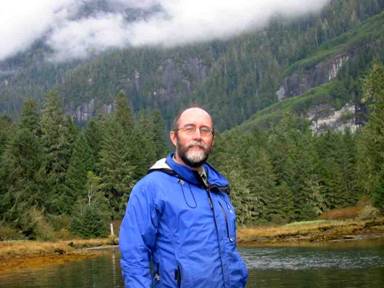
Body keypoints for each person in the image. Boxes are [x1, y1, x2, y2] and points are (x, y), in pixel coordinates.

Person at [119, 107, 248, 288]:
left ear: (212, 139)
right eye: (189, 129)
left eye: (205, 130)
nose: (198, 136)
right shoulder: (150, 188)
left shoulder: (218, 189)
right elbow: (134, 257)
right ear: (174, 137)